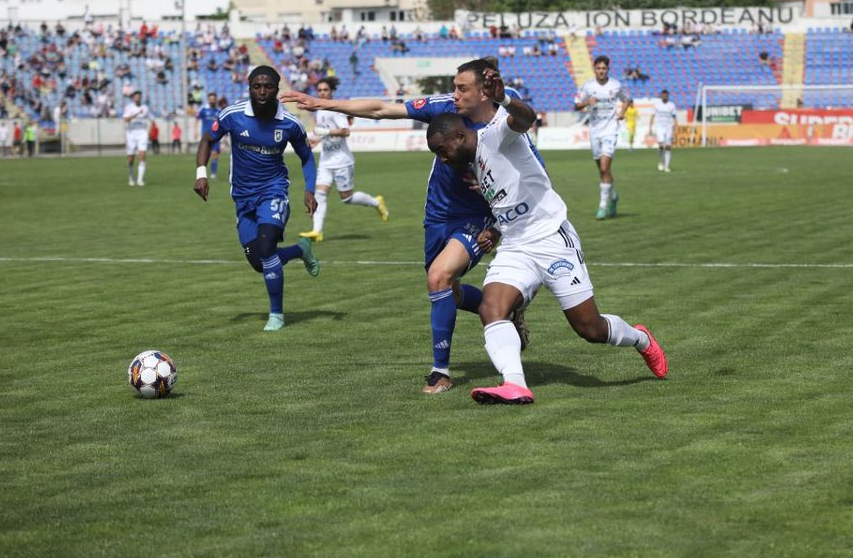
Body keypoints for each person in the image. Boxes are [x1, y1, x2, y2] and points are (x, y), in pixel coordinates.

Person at [280, 59, 528, 395]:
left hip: (478, 215)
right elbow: (383, 109)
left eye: (461, 88)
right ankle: (505, 308)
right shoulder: (446, 107)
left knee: (438, 277)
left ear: (484, 90)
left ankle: (440, 371)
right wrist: (324, 103)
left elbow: (526, 178)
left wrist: (498, 227)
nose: (454, 94)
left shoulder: (505, 121)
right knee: (448, 292)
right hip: (438, 214)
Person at [425, 69, 667, 405]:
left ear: (459, 136)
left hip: (552, 239)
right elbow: (508, 198)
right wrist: (495, 229)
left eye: (442, 150)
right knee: (491, 307)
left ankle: (640, 339)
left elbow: (525, 118)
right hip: (515, 246)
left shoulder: (497, 134)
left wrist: (504, 99)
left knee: (590, 329)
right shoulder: (475, 164)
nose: (443, 159)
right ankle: (515, 384)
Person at [194, 65, 321, 331]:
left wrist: (310, 189)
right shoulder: (233, 116)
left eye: (268, 86)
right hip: (242, 197)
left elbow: (306, 156)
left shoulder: (289, 124)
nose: (262, 92)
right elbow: (208, 140)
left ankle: (276, 315)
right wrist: (201, 173)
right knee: (258, 262)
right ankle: (300, 250)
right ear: (249, 87)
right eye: (257, 86)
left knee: (265, 247)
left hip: (273, 191)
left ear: (277, 89)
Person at [299, 76, 388, 242]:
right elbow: (326, 133)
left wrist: (324, 133)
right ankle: (317, 231)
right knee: (320, 193)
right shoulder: (319, 111)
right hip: (326, 160)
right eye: (319, 90)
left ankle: (376, 202)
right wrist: (317, 140)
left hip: (342, 160)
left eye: (325, 90)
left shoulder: (336, 109)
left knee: (347, 198)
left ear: (332, 92)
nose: (322, 93)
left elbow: (345, 131)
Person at [574, 55, 631, 220]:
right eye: (598, 68)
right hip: (594, 131)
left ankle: (602, 206)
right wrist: (586, 103)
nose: (601, 71)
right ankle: (613, 197)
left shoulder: (615, 85)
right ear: (594, 69)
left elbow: (627, 99)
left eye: (604, 68)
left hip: (610, 130)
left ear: (608, 69)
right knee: (602, 170)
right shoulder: (588, 87)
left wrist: (622, 113)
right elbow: (576, 105)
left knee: (605, 168)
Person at [123, 90, 150, 186]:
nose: (138, 98)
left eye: (139, 97)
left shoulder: (145, 107)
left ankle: (140, 179)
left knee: (142, 155)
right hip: (131, 134)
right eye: (136, 97)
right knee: (131, 157)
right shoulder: (129, 107)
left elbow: (149, 118)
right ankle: (131, 177)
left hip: (142, 133)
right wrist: (137, 113)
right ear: (133, 98)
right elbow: (125, 119)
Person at [196, 93, 223, 179]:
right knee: (204, 155)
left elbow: (222, 124)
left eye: (213, 99)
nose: (212, 101)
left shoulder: (219, 111)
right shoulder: (203, 110)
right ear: (208, 100)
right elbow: (197, 119)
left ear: (216, 100)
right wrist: (195, 131)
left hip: (216, 136)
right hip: (205, 137)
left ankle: (213, 173)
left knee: (215, 154)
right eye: (210, 99)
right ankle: (202, 174)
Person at [651, 89, 678, 172]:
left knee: (668, 147)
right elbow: (652, 116)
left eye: (666, 95)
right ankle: (661, 161)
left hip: (669, 128)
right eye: (663, 95)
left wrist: (676, 128)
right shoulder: (657, 105)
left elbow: (674, 117)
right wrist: (650, 127)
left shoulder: (672, 105)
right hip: (659, 128)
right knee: (661, 146)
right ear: (661, 96)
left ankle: (666, 166)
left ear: (668, 96)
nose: (665, 96)